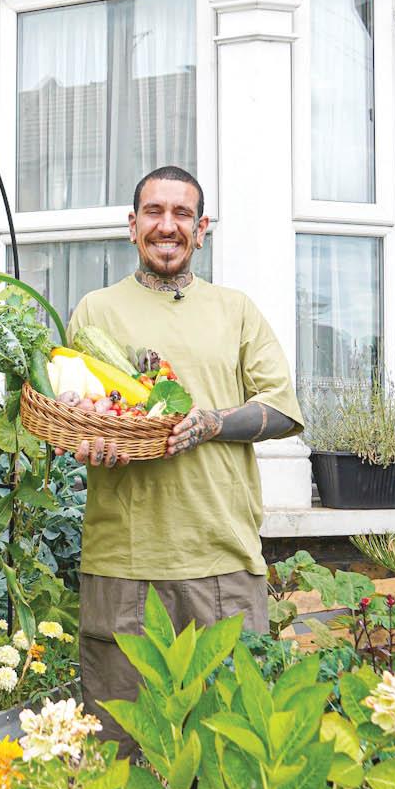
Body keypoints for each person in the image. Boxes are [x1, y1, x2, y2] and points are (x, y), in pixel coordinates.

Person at [65, 165, 302, 749]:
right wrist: (87, 439)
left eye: (181, 214)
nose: (166, 225)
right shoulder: (95, 312)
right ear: (131, 226)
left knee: (231, 755)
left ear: (202, 229)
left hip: (219, 559)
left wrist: (212, 422)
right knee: (119, 755)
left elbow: (285, 409)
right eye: (153, 212)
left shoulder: (235, 310)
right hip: (124, 563)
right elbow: (81, 416)